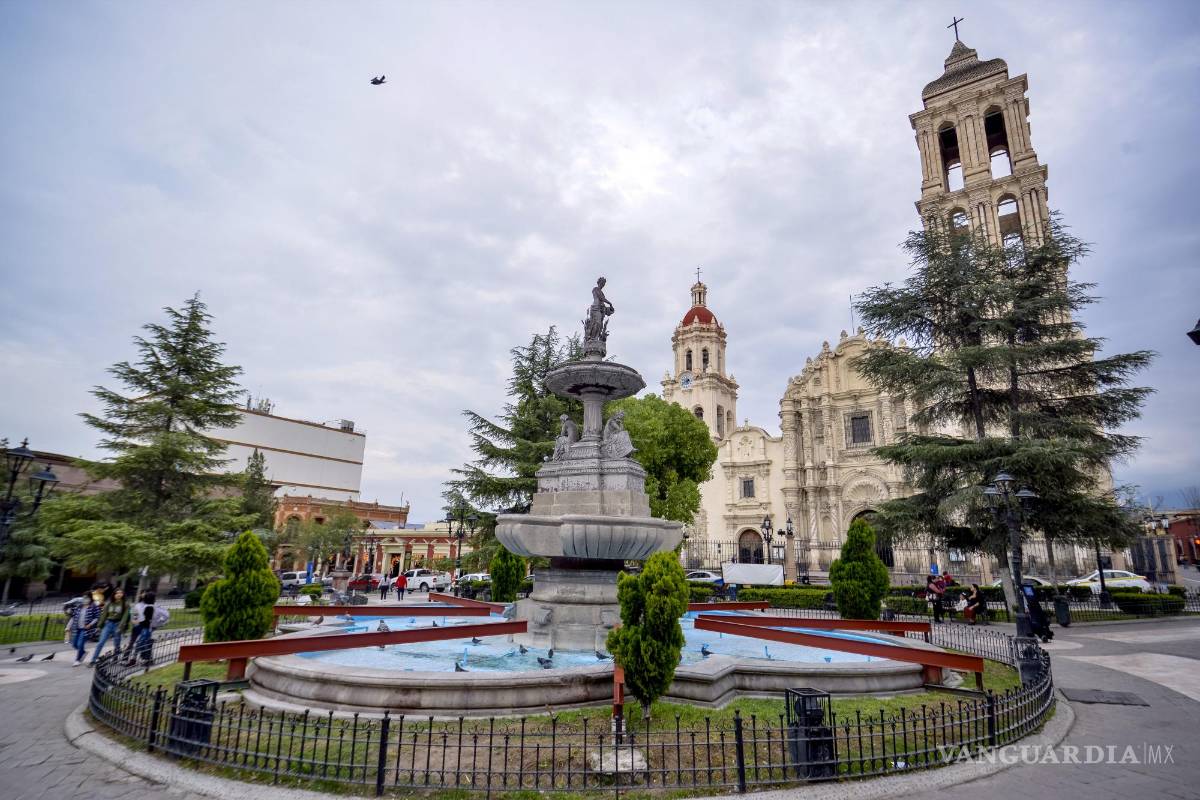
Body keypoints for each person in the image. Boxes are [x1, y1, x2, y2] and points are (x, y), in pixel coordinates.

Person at [89, 588, 129, 665]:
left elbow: (125, 617)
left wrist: (120, 627)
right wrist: (99, 626)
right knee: (101, 642)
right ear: (114, 594)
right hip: (108, 624)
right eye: (117, 593)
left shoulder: (125, 604)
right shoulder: (109, 603)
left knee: (116, 644)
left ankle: (115, 658)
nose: (119, 594)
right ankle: (93, 660)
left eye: (121, 593)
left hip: (118, 624)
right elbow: (104, 615)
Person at [69, 592, 101, 666]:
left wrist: (90, 624)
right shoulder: (79, 607)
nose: (85, 599)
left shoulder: (93, 606)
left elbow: (97, 617)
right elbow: (73, 617)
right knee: (74, 644)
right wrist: (68, 627)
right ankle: (83, 652)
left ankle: (78, 660)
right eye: (84, 597)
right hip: (78, 628)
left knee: (80, 644)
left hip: (86, 629)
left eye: (87, 598)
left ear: (90, 598)